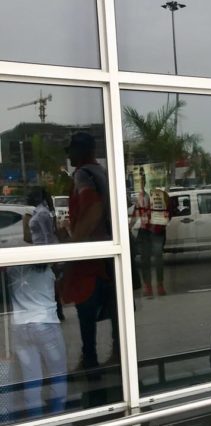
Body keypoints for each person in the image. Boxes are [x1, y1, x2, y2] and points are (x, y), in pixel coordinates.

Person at [60, 132, 118, 379]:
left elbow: (93, 209)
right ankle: (117, 357)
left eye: (71, 150)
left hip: (90, 262)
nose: (69, 155)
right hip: (109, 260)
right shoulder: (102, 172)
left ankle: (91, 365)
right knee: (114, 312)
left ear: (82, 151)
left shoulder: (83, 174)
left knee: (86, 315)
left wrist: (74, 245)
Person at [7, 189, 67, 419]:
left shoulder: (13, 257)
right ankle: (58, 416)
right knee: (57, 373)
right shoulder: (48, 260)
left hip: (20, 326)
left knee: (31, 379)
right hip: (46, 323)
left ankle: (34, 420)